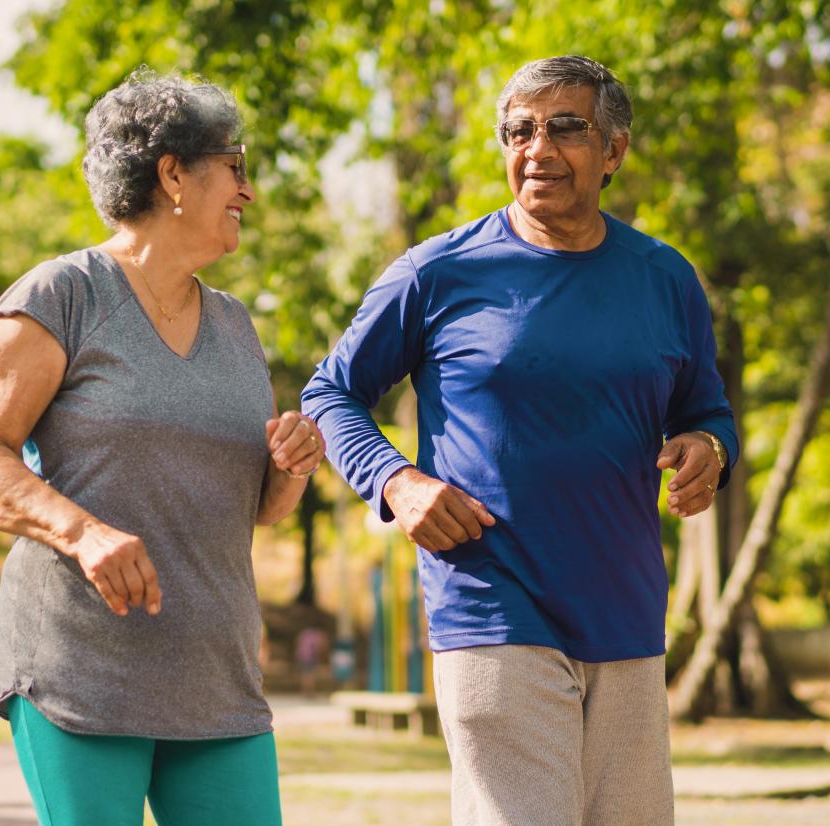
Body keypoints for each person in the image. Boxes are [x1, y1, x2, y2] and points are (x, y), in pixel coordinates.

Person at [302, 55, 738, 826]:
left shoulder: (665, 277)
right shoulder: (436, 272)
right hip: (492, 604)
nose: (537, 149)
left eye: (565, 127)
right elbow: (331, 392)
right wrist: (396, 482)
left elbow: (704, 408)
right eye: (519, 131)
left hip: (628, 615)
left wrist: (709, 447)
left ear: (614, 151)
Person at [0, 70, 324, 826]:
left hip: (217, 683)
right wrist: (83, 533)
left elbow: (260, 511)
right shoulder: (62, 295)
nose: (248, 192)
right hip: (81, 671)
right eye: (236, 167)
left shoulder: (237, 325)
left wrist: (291, 466)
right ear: (173, 173)